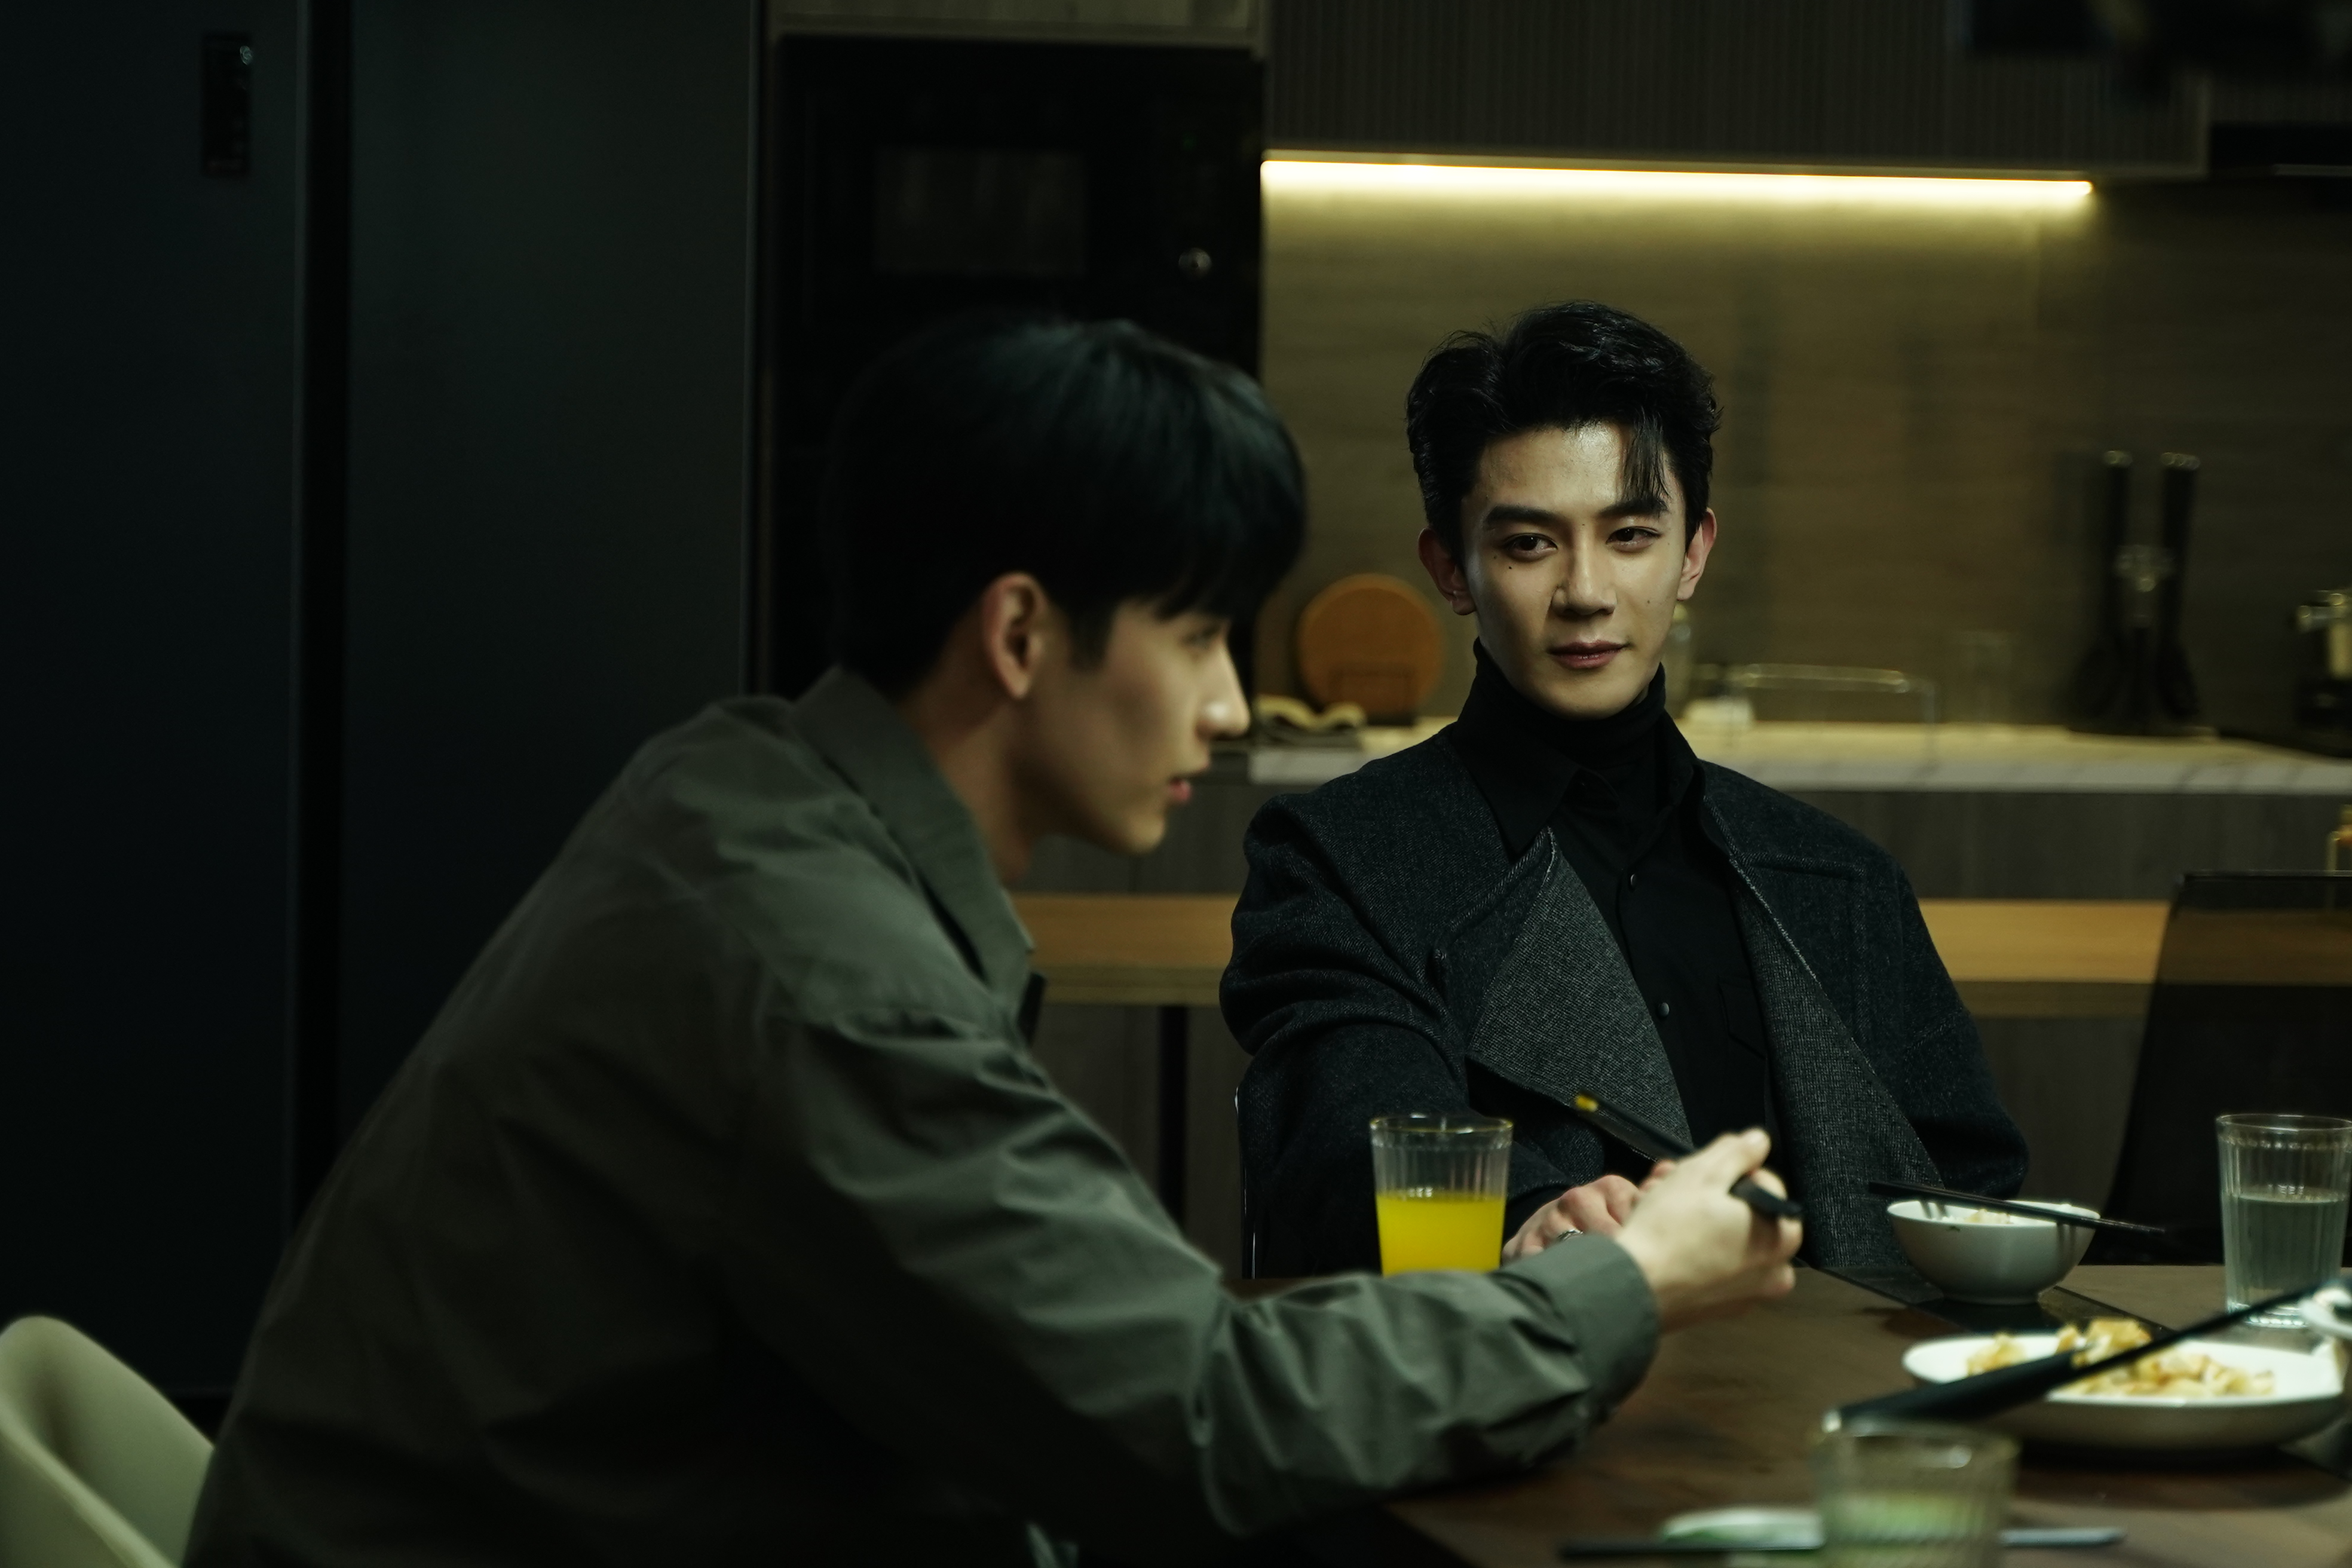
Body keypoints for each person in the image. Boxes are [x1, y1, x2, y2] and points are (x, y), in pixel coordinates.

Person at [185, 314, 1802, 1568]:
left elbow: (1122, 1353)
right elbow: (1197, 1418)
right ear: (1023, 633)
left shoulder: (741, 794)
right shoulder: (817, 970)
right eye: (1196, 633)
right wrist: (1619, 1284)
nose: (1230, 703)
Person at [1223, 301, 2026, 1281]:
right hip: (1534, 1359)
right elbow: (1351, 1133)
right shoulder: (1342, 856)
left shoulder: (1842, 880)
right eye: (1529, 544)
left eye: (1632, 535)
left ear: (1694, 552)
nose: (1587, 592)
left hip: (1843, 1369)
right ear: (1451, 569)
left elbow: (1976, 1194)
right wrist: (1524, 1219)